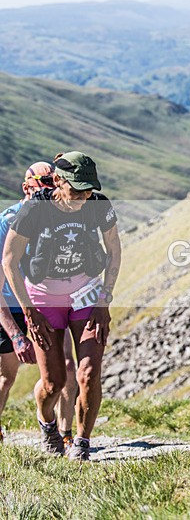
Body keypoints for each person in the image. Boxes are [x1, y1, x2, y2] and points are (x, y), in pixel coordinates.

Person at [2, 152, 121, 461]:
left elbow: (114, 252)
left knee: (88, 372)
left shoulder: (98, 205)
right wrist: (29, 311)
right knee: (54, 382)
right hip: (43, 300)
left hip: (87, 294)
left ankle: (81, 443)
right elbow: (10, 261)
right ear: (58, 181)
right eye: (78, 189)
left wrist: (104, 300)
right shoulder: (34, 210)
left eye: (89, 189)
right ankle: (48, 425)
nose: (85, 196)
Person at [0, 163, 78, 447]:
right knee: (6, 377)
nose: (47, 194)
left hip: (45, 302)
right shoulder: (6, 222)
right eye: (41, 188)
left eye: (52, 187)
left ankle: (64, 434)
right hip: (10, 305)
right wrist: (17, 335)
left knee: (67, 368)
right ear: (26, 188)